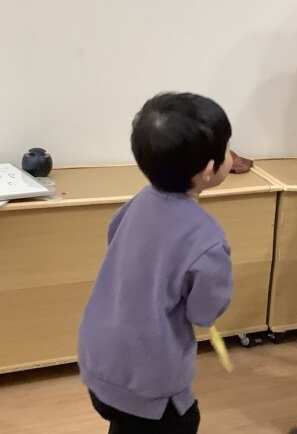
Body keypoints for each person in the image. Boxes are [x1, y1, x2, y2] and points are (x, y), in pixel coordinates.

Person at [78, 92, 235, 434]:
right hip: (149, 383)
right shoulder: (207, 238)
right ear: (208, 171)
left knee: (124, 424)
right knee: (182, 422)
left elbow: (112, 232)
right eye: (227, 150)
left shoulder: (141, 200)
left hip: (98, 361)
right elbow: (204, 312)